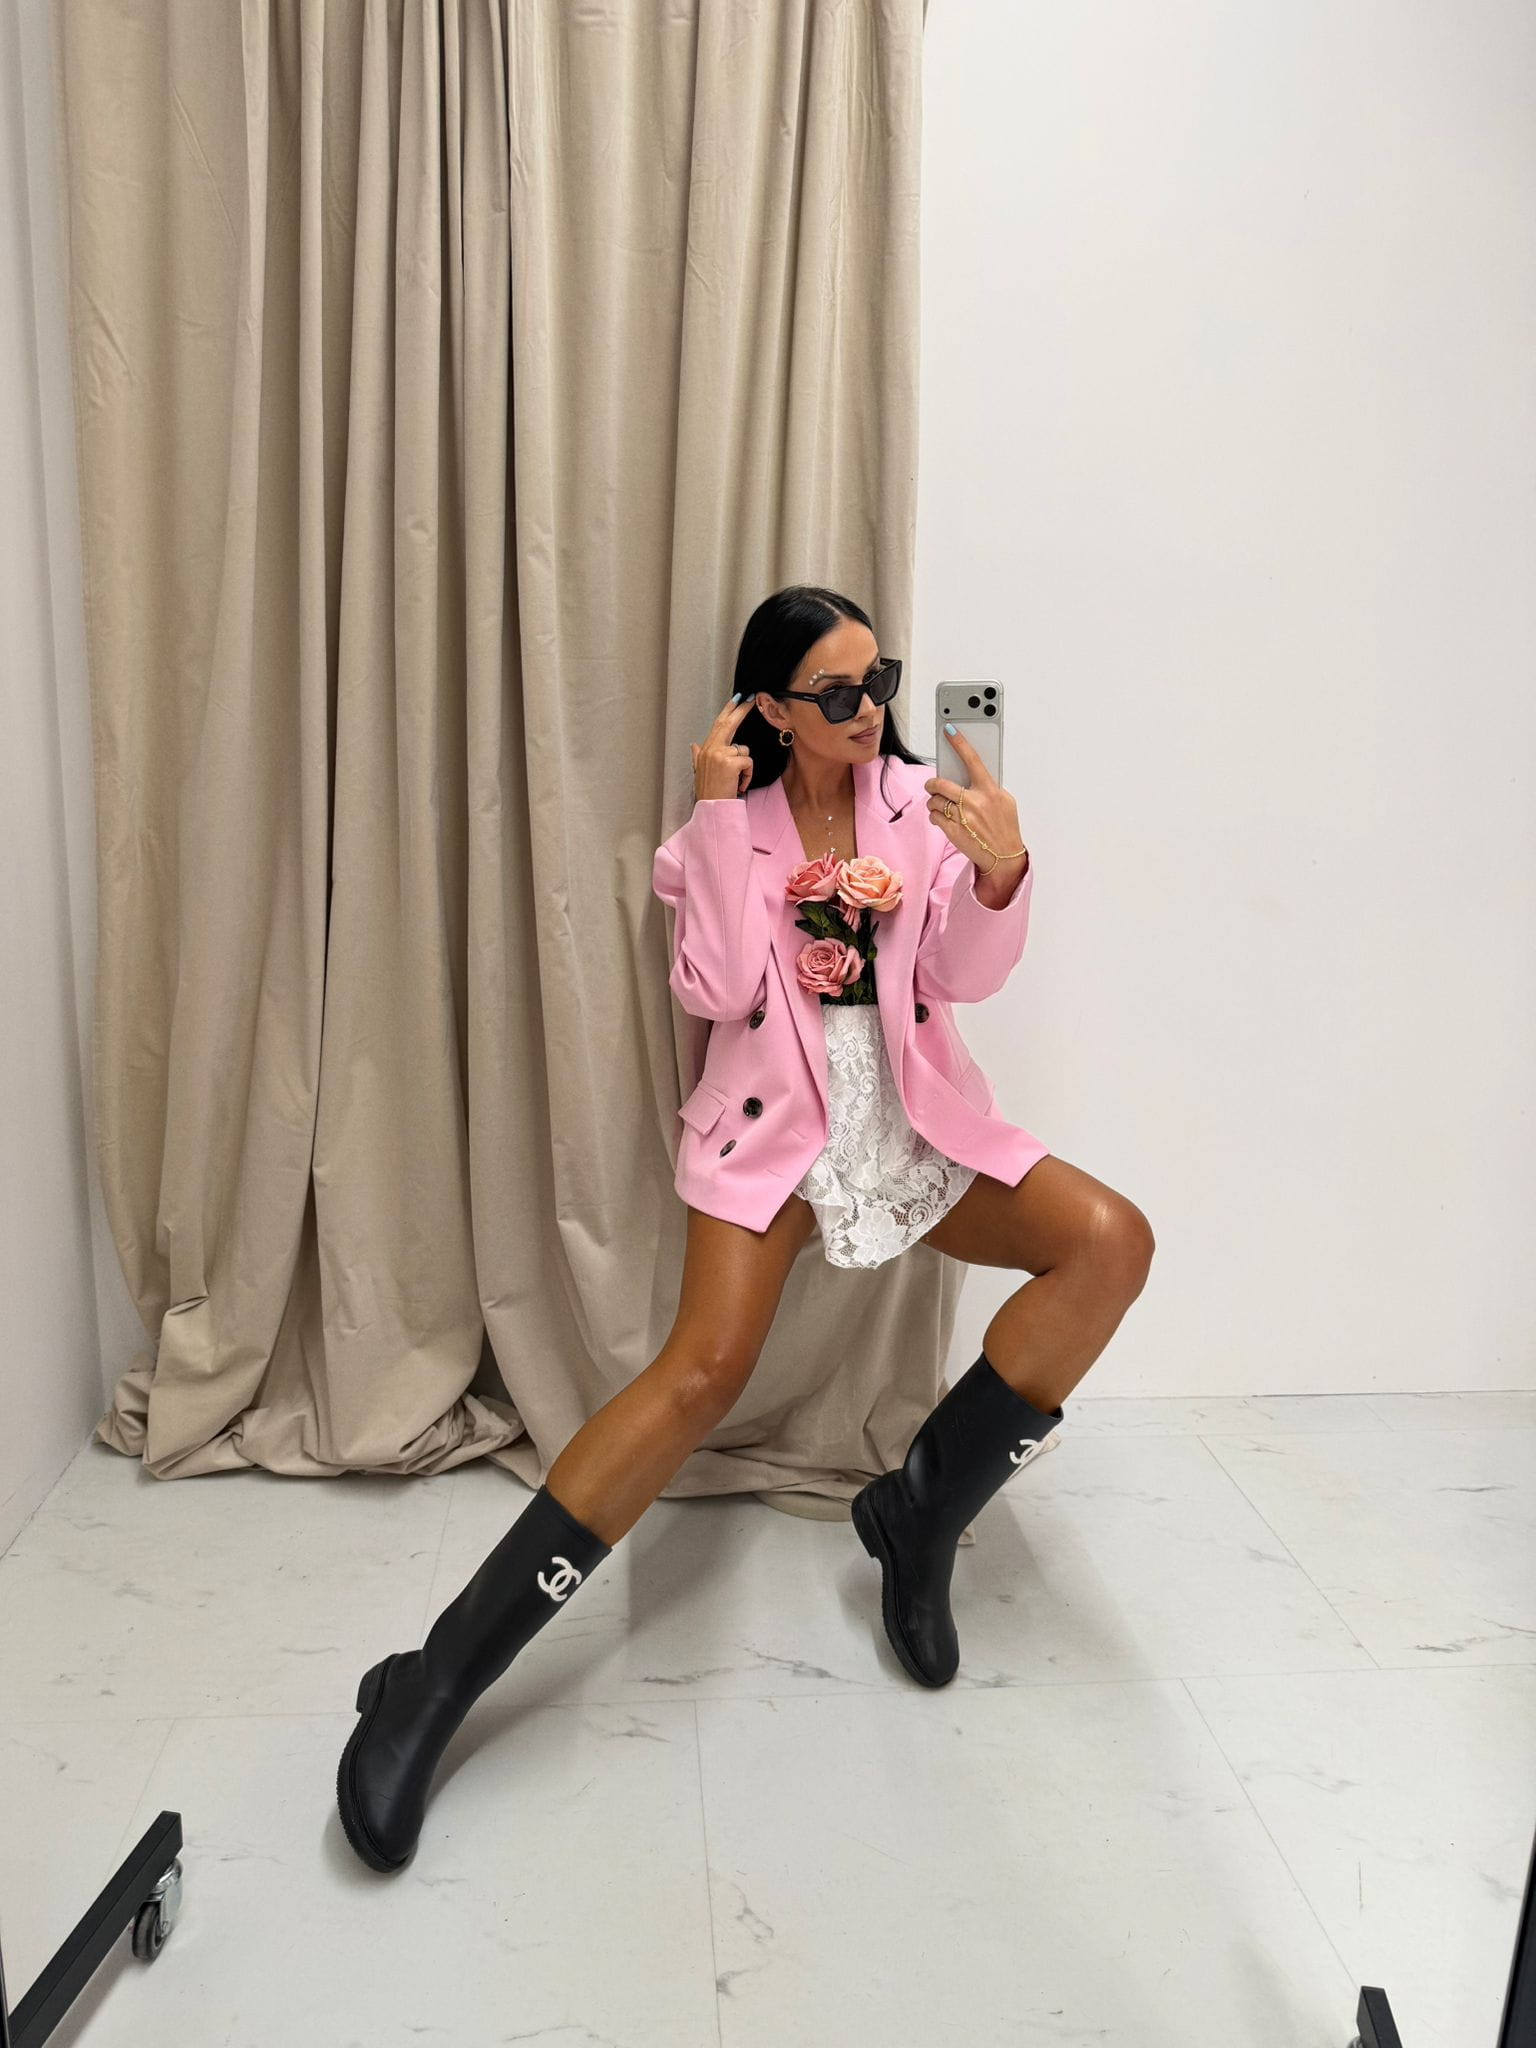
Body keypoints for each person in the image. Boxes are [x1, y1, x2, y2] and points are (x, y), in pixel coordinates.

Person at [335, 584, 1155, 1874]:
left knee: (1111, 1242)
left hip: (910, 1121)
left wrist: (998, 871)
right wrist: (719, 817)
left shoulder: (918, 808)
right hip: (772, 1134)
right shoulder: (717, 835)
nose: (870, 708)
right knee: (699, 1376)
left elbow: (960, 975)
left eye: (881, 680)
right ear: (772, 708)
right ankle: (433, 1681)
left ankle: (919, 1516)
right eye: (838, 692)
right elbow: (715, 988)